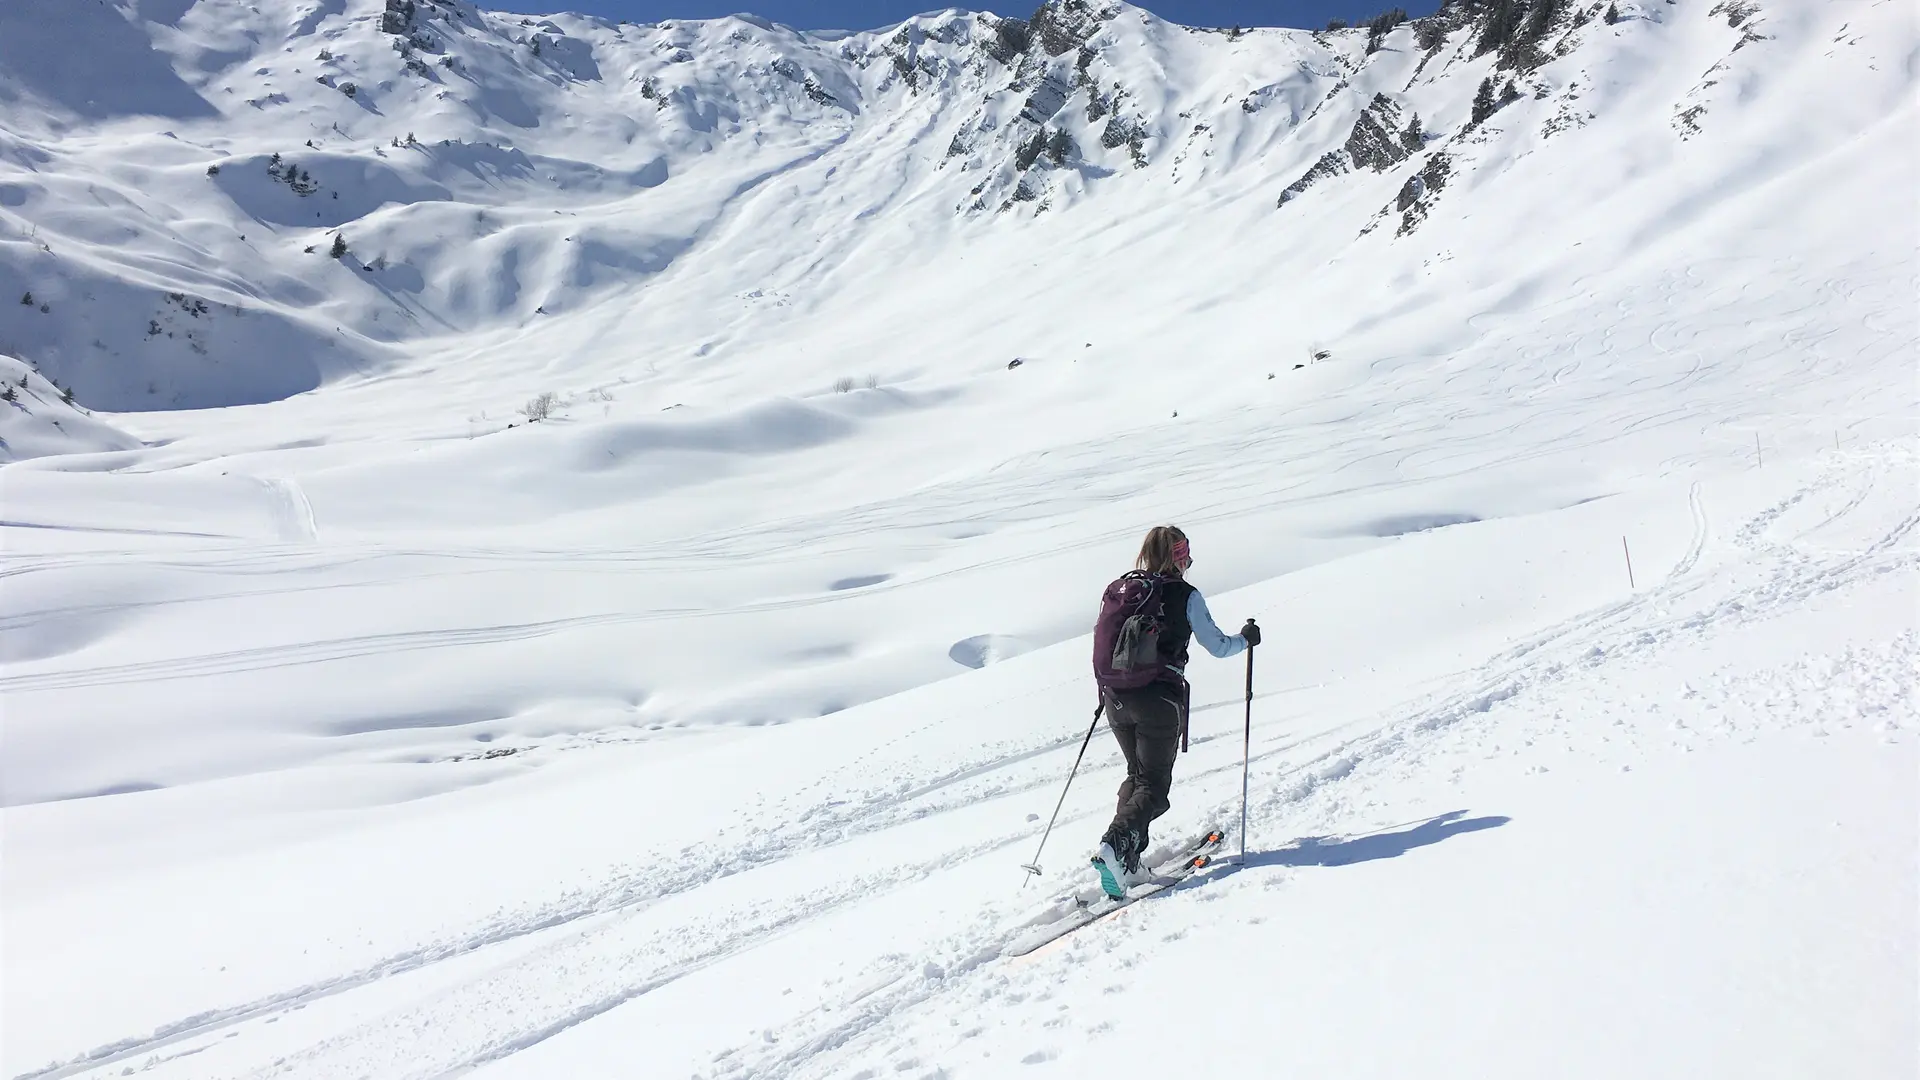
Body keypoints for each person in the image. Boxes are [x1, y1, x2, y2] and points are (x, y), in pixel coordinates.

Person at [1090, 525, 1258, 898]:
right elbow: (1217, 645)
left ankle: (1128, 861)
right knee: (1153, 786)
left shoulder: (1124, 591)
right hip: (1158, 701)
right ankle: (1115, 844)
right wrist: (1245, 640)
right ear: (1180, 558)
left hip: (1115, 699)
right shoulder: (1185, 595)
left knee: (1137, 776)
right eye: (1187, 558)